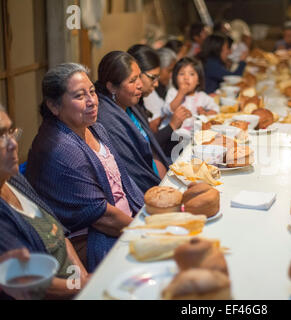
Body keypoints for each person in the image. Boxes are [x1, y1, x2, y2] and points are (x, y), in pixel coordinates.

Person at [25, 63, 143, 272]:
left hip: (125, 223)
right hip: (94, 240)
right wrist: (146, 231)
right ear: (54, 106)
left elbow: (122, 181)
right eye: (80, 96)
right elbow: (103, 218)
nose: (92, 102)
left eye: (92, 92)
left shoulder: (94, 128)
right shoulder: (60, 149)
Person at [0, 108, 90, 300]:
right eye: (0, 137)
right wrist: (82, 284)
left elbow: (60, 233)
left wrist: (81, 276)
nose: (13, 144)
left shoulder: (12, 178)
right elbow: (35, 285)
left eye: (9, 132)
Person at [94, 51, 170, 193]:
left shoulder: (129, 105)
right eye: (132, 80)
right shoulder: (108, 121)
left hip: (161, 182)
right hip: (148, 194)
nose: (140, 84)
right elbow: (132, 172)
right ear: (112, 87)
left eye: (139, 77)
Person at [127, 45, 192, 157]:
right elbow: (145, 146)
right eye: (153, 77)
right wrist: (172, 125)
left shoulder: (140, 101)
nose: (156, 84)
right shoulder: (128, 105)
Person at [162, 57, 219, 136]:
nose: (186, 78)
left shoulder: (201, 96)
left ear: (198, 80)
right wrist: (180, 94)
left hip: (192, 134)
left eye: (191, 74)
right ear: (175, 77)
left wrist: (205, 114)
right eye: (182, 74)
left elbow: (216, 109)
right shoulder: (173, 92)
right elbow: (168, 110)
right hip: (173, 135)